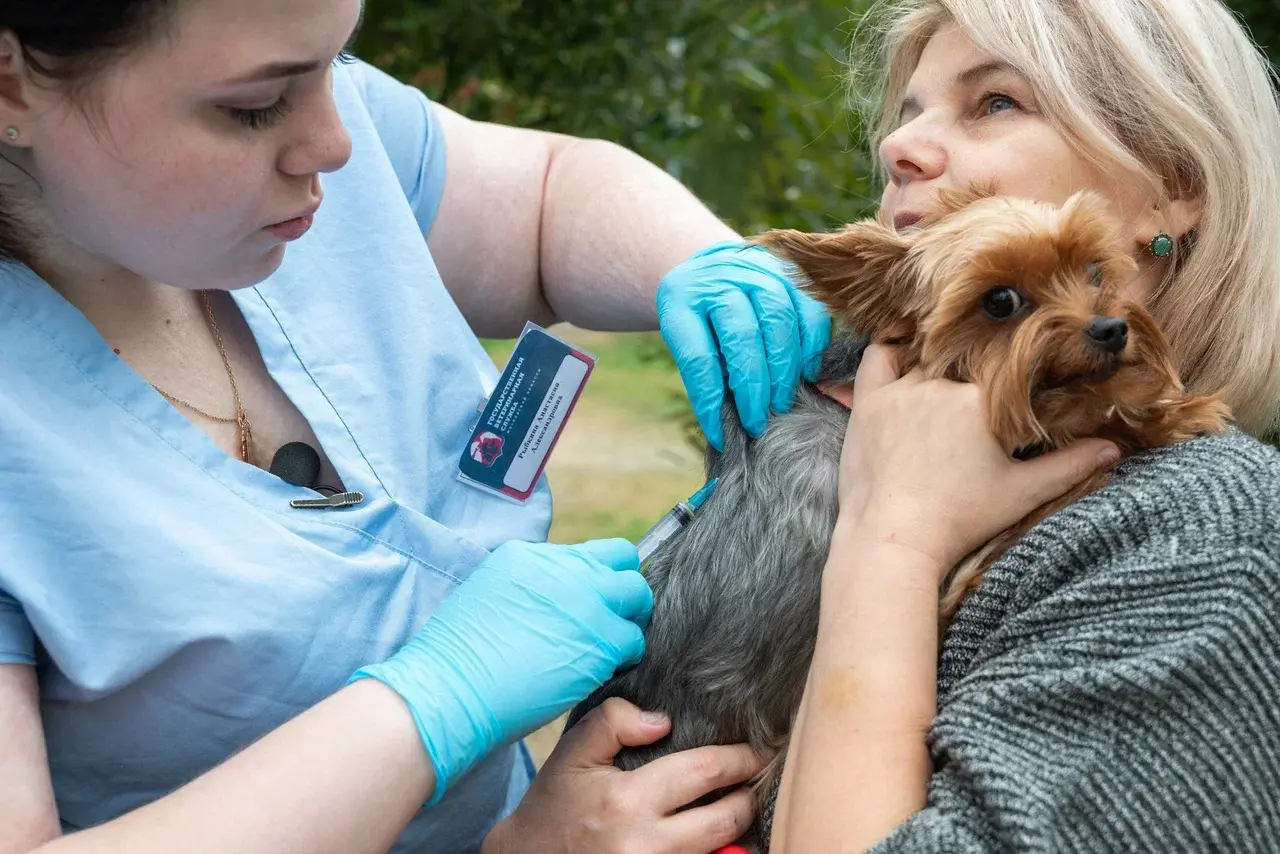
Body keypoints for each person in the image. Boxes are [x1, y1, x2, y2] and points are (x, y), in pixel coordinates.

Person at [0, 1, 832, 852]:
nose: (336, 142)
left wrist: (703, 260)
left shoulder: (324, 151)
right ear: (10, 81)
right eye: (253, 107)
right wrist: (430, 713)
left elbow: (547, 197)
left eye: (334, 67)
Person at [767, 0, 1280, 850]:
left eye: (996, 101)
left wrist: (887, 546)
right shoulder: (838, 456)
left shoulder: (1214, 544)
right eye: (907, 115)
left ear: (1171, 184)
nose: (899, 147)